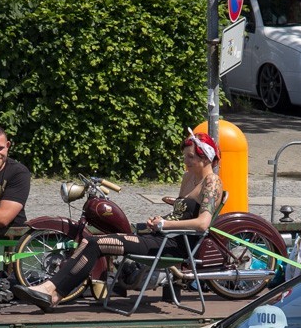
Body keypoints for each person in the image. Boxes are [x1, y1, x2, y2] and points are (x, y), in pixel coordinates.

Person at [11, 131, 223, 311]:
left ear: (205, 158)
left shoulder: (212, 182)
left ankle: (52, 291)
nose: (185, 161)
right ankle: (53, 293)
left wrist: (164, 224)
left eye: (190, 157)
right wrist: (162, 217)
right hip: (160, 237)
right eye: (185, 156)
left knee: (95, 243)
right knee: (91, 240)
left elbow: (203, 223)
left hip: (172, 245)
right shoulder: (189, 178)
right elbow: (184, 210)